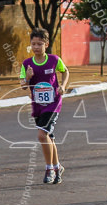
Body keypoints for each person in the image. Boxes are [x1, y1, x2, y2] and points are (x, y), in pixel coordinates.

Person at [20, 27, 70, 183]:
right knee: (49, 137)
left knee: (42, 135)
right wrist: (27, 78)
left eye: (39, 44)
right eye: (33, 44)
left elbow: (65, 71)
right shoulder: (27, 64)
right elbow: (22, 85)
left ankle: (49, 169)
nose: (36, 47)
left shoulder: (54, 60)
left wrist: (63, 86)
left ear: (46, 44)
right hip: (38, 105)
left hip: (53, 103)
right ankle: (57, 167)